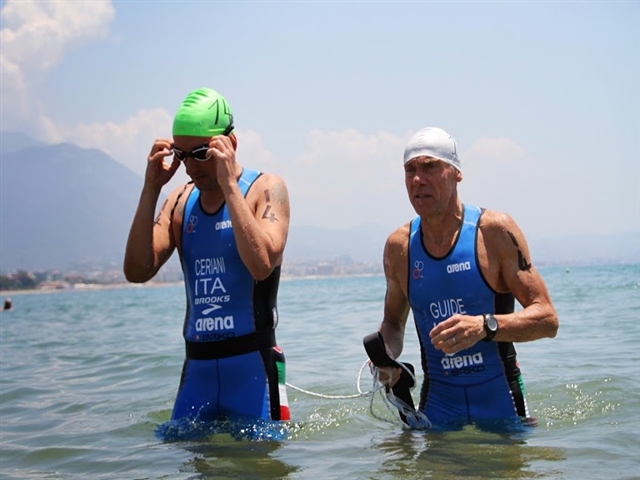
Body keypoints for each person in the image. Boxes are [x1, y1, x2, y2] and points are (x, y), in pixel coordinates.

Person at [123, 87, 291, 424]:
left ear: (231, 144)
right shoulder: (179, 203)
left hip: (252, 368)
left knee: (261, 470)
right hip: (196, 371)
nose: (190, 167)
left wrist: (230, 186)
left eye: (201, 153)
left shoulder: (266, 189)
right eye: (181, 155)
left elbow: (261, 265)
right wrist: (151, 188)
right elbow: (137, 270)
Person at [374, 126, 558, 430]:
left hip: (502, 406)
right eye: (410, 170)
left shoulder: (495, 231)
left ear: (456, 172)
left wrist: (484, 326)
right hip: (438, 410)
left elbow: (548, 319)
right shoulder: (400, 247)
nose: (418, 179)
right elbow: (393, 324)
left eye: (430, 167)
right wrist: (385, 357)